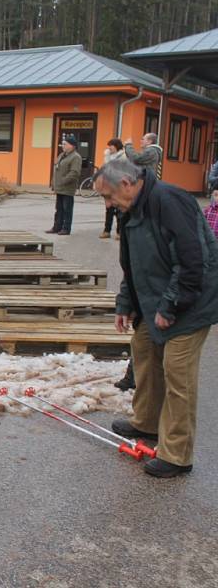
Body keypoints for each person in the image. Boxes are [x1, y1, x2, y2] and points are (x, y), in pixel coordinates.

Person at [94, 159, 218, 478]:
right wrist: (125, 304)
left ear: (126, 183)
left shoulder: (169, 201)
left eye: (108, 197)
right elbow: (132, 266)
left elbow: (193, 262)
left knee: (177, 371)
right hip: (155, 299)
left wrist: (171, 306)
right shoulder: (129, 210)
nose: (107, 204)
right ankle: (146, 423)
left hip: (192, 301)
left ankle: (178, 454)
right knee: (144, 349)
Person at [46, 134, 82, 236]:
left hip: (67, 188)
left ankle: (66, 228)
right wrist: (54, 183)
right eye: (63, 144)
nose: (63, 145)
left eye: (65, 144)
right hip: (60, 188)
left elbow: (74, 173)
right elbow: (56, 169)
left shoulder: (76, 157)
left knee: (67, 210)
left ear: (72, 146)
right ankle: (57, 227)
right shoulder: (62, 155)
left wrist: (63, 181)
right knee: (59, 209)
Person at [100, 138, 126, 239]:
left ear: (117, 146)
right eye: (109, 146)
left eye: (111, 146)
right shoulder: (108, 157)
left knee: (119, 211)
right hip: (109, 186)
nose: (109, 148)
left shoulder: (123, 157)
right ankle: (106, 231)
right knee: (109, 210)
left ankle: (119, 232)